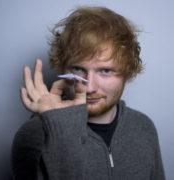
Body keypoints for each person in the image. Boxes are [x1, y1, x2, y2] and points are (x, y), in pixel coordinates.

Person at [11, 6, 165, 180]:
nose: (89, 87)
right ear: (62, 68)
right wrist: (60, 129)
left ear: (127, 72)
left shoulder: (143, 127)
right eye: (78, 69)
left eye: (105, 71)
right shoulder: (36, 134)